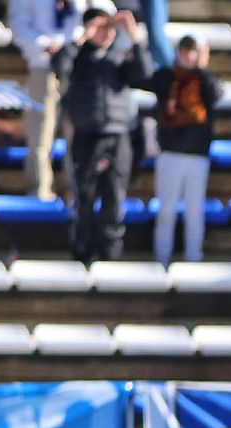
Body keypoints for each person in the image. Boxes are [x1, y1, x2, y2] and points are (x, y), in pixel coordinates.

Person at [56, 6, 152, 264]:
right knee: (84, 197)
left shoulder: (119, 56)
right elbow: (59, 67)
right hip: (86, 135)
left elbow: (144, 74)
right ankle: (83, 253)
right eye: (100, 28)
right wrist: (81, 39)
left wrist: (135, 38)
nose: (107, 33)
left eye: (110, 28)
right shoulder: (78, 57)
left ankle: (110, 255)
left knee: (114, 197)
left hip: (118, 135)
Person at [145, 33, 221, 264]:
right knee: (166, 210)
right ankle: (162, 257)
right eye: (184, 50)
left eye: (192, 50)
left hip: (197, 154)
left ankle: (194, 258)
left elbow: (216, 94)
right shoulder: (166, 76)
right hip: (170, 152)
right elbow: (145, 79)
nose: (188, 55)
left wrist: (203, 69)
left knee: (194, 211)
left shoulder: (205, 79)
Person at [9, 0, 92, 201]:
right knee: (40, 132)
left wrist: (77, 43)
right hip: (42, 64)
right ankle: (41, 190)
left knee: (77, 133)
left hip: (78, 66)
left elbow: (103, 15)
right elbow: (18, 25)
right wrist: (46, 45)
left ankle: (77, 191)